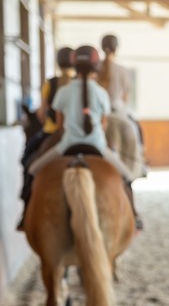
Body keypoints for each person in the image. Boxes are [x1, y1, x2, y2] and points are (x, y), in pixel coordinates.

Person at [24, 45, 142, 229]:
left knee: (32, 170)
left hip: (67, 146)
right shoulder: (101, 93)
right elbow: (103, 125)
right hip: (98, 147)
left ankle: (25, 216)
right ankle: (134, 217)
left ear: (75, 67)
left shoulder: (63, 92)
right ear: (96, 69)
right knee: (126, 176)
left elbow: (60, 126)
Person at [18, 46, 75, 230]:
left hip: (52, 131)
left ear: (58, 62)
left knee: (27, 160)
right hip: (76, 133)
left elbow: (42, 112)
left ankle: (26, 209)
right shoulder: (79, 83)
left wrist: (46, 123)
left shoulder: (50, 83)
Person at [98, 34, 147, 179]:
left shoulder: (96, 70)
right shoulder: (122, 70)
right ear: (116, 49)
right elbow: (125, 98)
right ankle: (141, 164)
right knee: (137, 130)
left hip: (101, 115)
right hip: (118, 113)